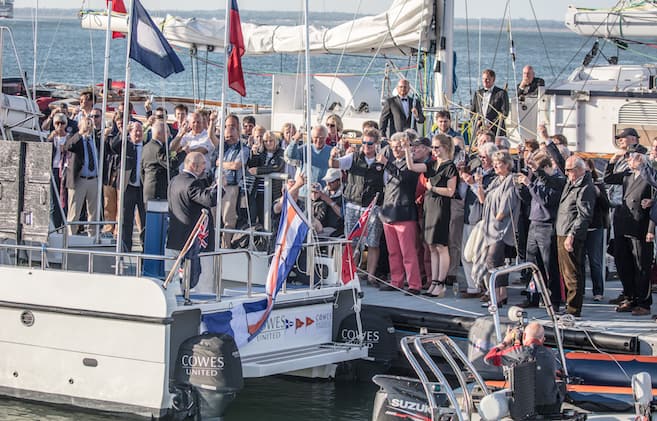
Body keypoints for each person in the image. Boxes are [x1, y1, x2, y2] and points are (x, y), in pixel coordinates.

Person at [329, 128, 385, 285]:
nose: (366, 146)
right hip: (353, 204)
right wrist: (333, 154)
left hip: (372, 206)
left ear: (377, 144)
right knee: (351, 241)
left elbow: (388, 181)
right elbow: (334, 164)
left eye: (370, 143)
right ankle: (351, 273)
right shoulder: (353, 157)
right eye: (364, 143)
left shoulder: (382, 162)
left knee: (373, 242)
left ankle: (371, 275)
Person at [407, 134, 457, 297]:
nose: (434, 151)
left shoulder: (450, 166)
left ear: (446, 148)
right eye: (433, 148)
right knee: (431, 246)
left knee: (441, 246)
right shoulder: (432, 164)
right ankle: (434, 281)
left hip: (441, 206)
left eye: (437, 147)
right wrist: (408, 149)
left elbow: (450, 191)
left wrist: (432, 188)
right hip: (429, 205)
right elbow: (412, 167)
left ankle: (440, 283)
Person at [516, 151, 566, 309]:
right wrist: (521, 187)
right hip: (534, 223)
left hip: (547, 225)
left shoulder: (557, 181)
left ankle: (554, 299)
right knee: (532, 263)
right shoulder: (538, 180)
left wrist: (530, 184)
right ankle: (533, 296)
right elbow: (530, 200)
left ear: (545, 168)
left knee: (549, 265)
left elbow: (545, 200)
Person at [605, 152, 653, 316]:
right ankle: (630, 297)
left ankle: (643, 302)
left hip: (640, 226)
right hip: (624, 224)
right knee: (623, 264)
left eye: (632, 158)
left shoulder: (649, 175)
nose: (629, 161)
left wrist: (652, 202)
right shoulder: (627, 176)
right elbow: (608, 179)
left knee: (641, 266)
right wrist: (612, 162)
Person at [376, 132, 422, 295]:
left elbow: (403, 178)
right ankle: (397, 280)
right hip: (389, 212)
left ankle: (414, 284)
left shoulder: (412, 164)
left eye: (398, 147)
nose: (395, 150)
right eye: (393, 147)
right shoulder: (393, 163)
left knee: (408, 252)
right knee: (393, 252)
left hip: (404, 213)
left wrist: (387, 163)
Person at [484, 322, 562, 416]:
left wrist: (505, 342)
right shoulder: (551, 354)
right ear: (543, 339)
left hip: (523, 410)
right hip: (549, 408)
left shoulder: (516, 352)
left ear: (524, 336)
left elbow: (489, 358)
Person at [475, 151, 520, 307]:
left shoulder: (510, 181)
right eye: (494, 162)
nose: (494, 165)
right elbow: (483, 199)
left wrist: (495, 217)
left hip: (501, 229)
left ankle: (497, 296)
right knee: (498, 263)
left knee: (492, 261)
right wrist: (479, 183)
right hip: (490, 229)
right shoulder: (495, 181)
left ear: (507, 164)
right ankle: (501, 295)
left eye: (498, 163)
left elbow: (504, 209)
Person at [166, 152, 217, 290]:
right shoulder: (192, 183)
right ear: (194, 166)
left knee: (173, 278)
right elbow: (209, 199)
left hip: (175, 236)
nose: (205, 168)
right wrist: (219, 186)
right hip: (193, 239)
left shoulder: (174, 180)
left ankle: (175, 296)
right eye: (203, 164)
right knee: (202, 278)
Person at [556, 156, 596, 317]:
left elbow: (584, 215)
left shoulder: (585, 187)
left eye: (570, 170)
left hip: (570, 233)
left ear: (580, 170)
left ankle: (573, 309)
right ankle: (568, 305)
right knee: (565, 272)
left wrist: (572, 235)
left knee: (572, 272)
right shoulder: (571, 184)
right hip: (561, 230)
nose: (567, 173)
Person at [459, 143, 498, 298]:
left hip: (483, 219)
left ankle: (489, 289)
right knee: (466, 254)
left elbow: (486, 199)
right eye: (480, 156)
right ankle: (473, 286)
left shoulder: (495, 176)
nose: (481, 159)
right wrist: (464, 179)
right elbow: (463, 193)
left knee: (482, 256)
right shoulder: (477, 170)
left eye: (484, 156)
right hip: (470, 215)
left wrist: (474, 184)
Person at [114, 121, 146, 252]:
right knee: (126, 218)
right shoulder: (125, 145)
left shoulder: (146, 147)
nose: (138, 134)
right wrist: (122, 132)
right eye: (135, 131)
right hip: (129, 186)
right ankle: (126, 247)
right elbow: (113, 146)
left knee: (144, 219)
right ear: (130, 133)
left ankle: (145, 246)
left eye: (140, 131)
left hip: (142, 188)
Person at [65, 116, 99, 236]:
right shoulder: (75, 138)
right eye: (86, 123)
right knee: (75, 210)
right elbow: (68, 146)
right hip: (79, 179)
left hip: (94, 179)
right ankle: (71, 236)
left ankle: (92, 235)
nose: (88, 125)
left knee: (93, 211)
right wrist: (81, 132)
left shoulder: (95, 139)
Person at [247, 130, 286, 227]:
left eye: (271, 140)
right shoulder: (261, 152)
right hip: (258, 191)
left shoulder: (281, 152)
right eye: (265, 141)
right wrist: (254, 153)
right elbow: (251, 167)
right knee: (257, 218)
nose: (268, 143)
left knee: (270, 219)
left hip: (273, 191)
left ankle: (269, 240)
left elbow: (276, 166)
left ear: (275, 141)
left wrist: (259, 170)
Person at [285, 125, 333, 196]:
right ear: (312, 137)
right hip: (304, 192)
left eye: (321, 138)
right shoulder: (305, 149)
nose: (318, 141)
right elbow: (291, 155)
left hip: (322, 194)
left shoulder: (331, 151)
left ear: (326, 137)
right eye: (316, 137)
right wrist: (295, 140)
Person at [47, 112, 71, 231]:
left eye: (62, 123)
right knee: (54, 201)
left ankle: (65, 225)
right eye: (57, 123)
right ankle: (55, 226)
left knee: (65, 199)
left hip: (66, 170)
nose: (60, 126)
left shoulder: (69, 137)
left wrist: (66, 147)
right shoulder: (52, 138)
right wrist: (51, 138)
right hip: (55, 169)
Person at [471, 69, 509, 136]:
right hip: (480, 129)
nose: (485, 81)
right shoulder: (478, 93)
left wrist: (491, 124)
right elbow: (472, 111)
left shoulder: (502, 93)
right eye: (483, 79)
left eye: (487, 79)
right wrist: (477, 122)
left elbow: (504, 112)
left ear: (493, 79)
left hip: (496, 129)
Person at [141, 120, 171, 203]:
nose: (169, 135)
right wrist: (182, 152)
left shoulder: (146, 147)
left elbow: (142, 171)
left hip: (148, 189)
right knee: (156, 215)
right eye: (167, 132)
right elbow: (170, 164)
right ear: (159, 133)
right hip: (157, 191)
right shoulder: (158, 149)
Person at [311, 168, 344, 237]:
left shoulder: (345, 194)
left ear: (339, 181)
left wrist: (330, 201)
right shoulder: (323, 192)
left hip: (337, 229)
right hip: (321, 227)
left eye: (331, 182)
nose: (328, 184)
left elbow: (343, 214)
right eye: (327, 181)